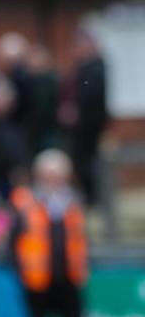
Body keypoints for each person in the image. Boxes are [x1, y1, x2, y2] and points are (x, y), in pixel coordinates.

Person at [10, 150, 99, 317]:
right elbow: (13, 243)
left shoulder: (73, 202)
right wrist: (21, 273)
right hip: (37, 281)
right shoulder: (25, 201)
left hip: (68, 278)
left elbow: (81, 239)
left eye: (58, 174)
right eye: (49, 174)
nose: (53, 180)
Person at [58, 29, 110, 205]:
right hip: (80, 125)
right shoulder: (81, 67)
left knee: (88, 162)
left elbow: (90, 93)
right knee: (80, 161)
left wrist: (76, 109)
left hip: (89, 124)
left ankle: (94, 197)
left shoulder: (96, 66)